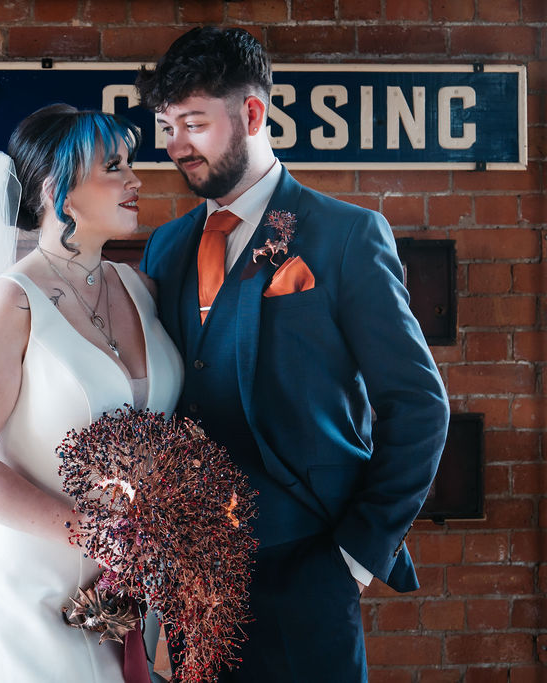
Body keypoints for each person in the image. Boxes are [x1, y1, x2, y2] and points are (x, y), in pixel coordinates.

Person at [136, 27, 450, 682]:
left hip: (308, 568)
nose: (175, 146)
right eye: (167, 127)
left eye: (193, 123)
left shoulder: (343, 234)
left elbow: (418, 404)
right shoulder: (164, 249)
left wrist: (356, 557)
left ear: (251, 114)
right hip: (190, 585)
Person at [0, 104, 183, 682]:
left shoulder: (139, 289)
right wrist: (100, 536)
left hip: (131, 599)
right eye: (114, 167)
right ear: (59, 189)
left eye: (130, 164)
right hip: (31, 599)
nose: (136, 181)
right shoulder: (10, 302)